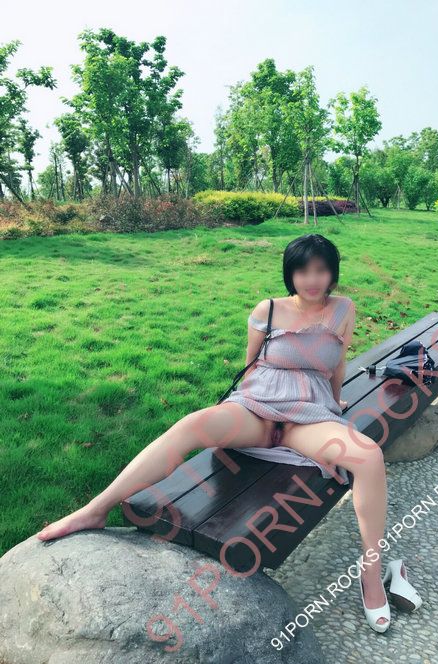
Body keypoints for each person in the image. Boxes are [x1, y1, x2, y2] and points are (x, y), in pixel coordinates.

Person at [35, 233, 392, 631]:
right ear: (290, 273)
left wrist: (336, 402)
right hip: (257, 408)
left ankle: (370, 573)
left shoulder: (343, 309)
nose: (311, 279)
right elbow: (251, 365)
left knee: (368, 456)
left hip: (308, 417)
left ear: (332, 273)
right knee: (191, 425)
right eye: (302, 270)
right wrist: (237, 412)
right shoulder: (269, 309)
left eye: (321, 270)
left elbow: (337, 364)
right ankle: (96, 509)